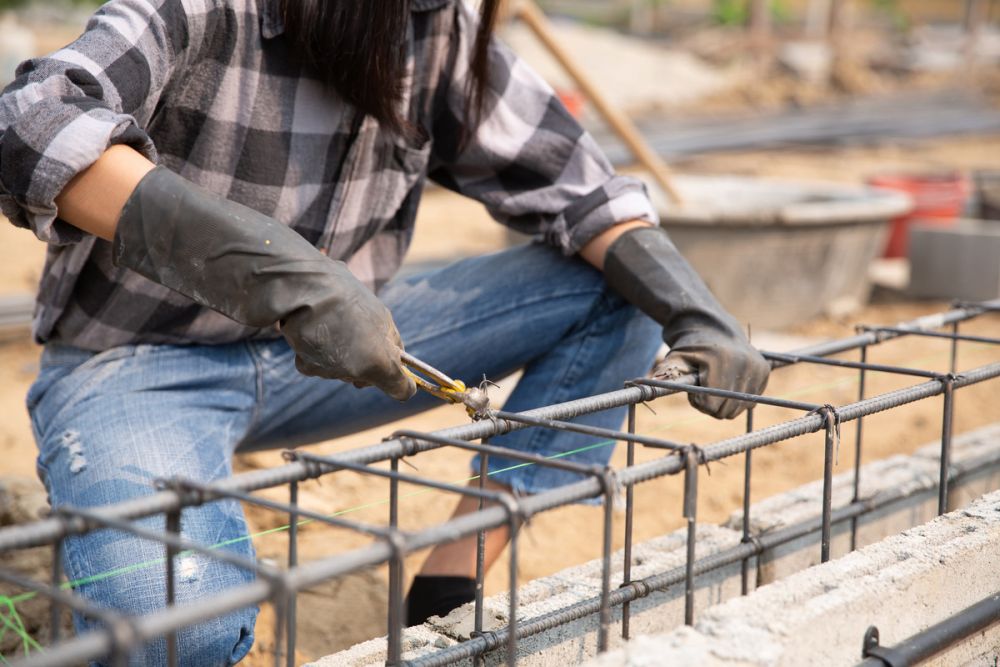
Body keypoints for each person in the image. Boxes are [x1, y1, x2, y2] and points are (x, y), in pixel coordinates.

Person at [0, 0, 769, 663]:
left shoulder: (432, 26)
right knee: (177, 629)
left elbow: (579, 185)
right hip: (140, 362)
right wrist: (278, 275)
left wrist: (691, 302)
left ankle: (444, 590)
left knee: (619, 288)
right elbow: (33, 122)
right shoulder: (205, 10)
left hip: (340, 350)